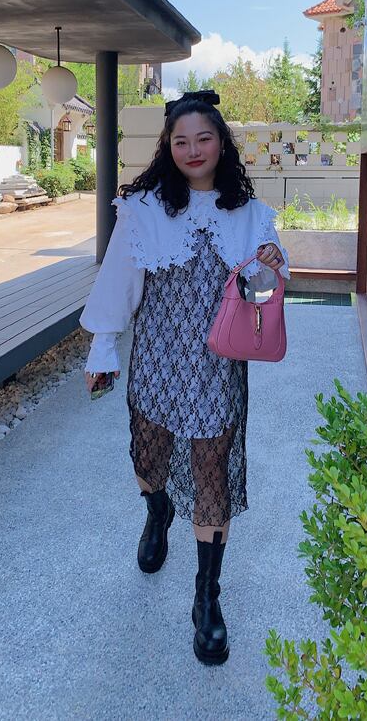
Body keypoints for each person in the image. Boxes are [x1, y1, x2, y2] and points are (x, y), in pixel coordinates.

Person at [79, 89, 289, 665]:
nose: (193, 150)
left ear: (222, 144)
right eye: (181, 141)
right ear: (167, 147)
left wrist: (271, 268)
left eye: (204, 138)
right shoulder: (143, 208)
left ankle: (206, 598)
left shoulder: (251, 214)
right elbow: (119, 281)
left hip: (218, 367)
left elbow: (263, 292)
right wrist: (103, 348)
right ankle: (158, 511)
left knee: (211, 474)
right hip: (157, 360)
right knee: (148, 460)